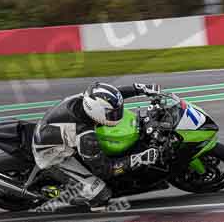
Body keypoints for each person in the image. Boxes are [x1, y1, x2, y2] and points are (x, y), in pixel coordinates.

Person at [31, 81, 162, 209]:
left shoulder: (89, 99)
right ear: (97, 113)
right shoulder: (86, 136)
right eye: (112, 114)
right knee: (101, 193)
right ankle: (55, 193)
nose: (117, 115)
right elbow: (105, 170)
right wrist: (137, 159)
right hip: (52, 156)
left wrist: (140, 89)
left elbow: (112, 97)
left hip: (51, 130)